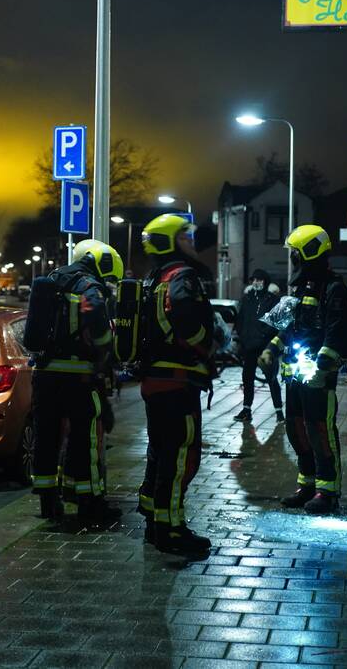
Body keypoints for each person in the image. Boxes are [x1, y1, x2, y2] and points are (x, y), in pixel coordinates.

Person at [28, 239, 124, 527]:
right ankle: (90, 502)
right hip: (77, 376)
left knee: (46, 437)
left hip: (44, 374)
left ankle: (48, 501)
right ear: (98, 262)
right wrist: (106, 347)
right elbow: (95, 314)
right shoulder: (88, 285)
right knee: (85, 439)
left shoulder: (54, 278)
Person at [259, 224, 347, 514]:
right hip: (294, 375)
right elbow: (291, 327)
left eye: (296, 254)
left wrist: (322, 368)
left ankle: (328, 491)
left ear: (310, 252)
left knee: (320, 430)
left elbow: (336, 333)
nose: (294, 260)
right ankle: (308, 485)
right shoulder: (301, 288)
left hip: (317, 377)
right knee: (296, 429)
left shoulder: (334, 289)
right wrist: (272, 348)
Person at [137, 214, 216, 556]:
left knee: (159, 453)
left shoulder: (154, 278)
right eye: (185, 236)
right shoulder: (182, 276)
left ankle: (154, 523)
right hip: (178, 381)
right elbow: (186, 320)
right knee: (181, 455)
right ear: (170, 241)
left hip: (154, 379)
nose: (191, 242)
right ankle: (171, 529)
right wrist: (206, 346)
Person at [233, 269, 283, 423]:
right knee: (247, 379)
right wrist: (241, 337)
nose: (256, 282)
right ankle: (246, 410)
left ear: (265, 282)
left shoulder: (272, 300)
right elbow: (240, 320)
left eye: (259, 280)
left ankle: (279, 412)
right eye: (254, 280)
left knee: (271, 378)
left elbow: (275, 322)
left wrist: (265, 337)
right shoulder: (247, 299)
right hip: (249, 346)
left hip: (265, 347)